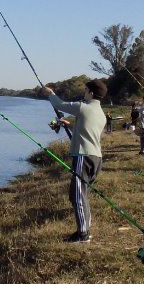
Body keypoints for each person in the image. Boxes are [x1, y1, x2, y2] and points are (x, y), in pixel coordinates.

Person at [42, 80, 108, 244]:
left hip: (83, 157)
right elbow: (87, 130)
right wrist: (69, 125)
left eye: (86, 90)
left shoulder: (83, 107)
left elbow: (61, 104)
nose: (84, 92)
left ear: (91, 93)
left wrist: (50, 93)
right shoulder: (100, 113)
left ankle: (83, 235)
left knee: (78, 197)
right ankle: (84, 230)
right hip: (96, 158)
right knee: (80, 195)